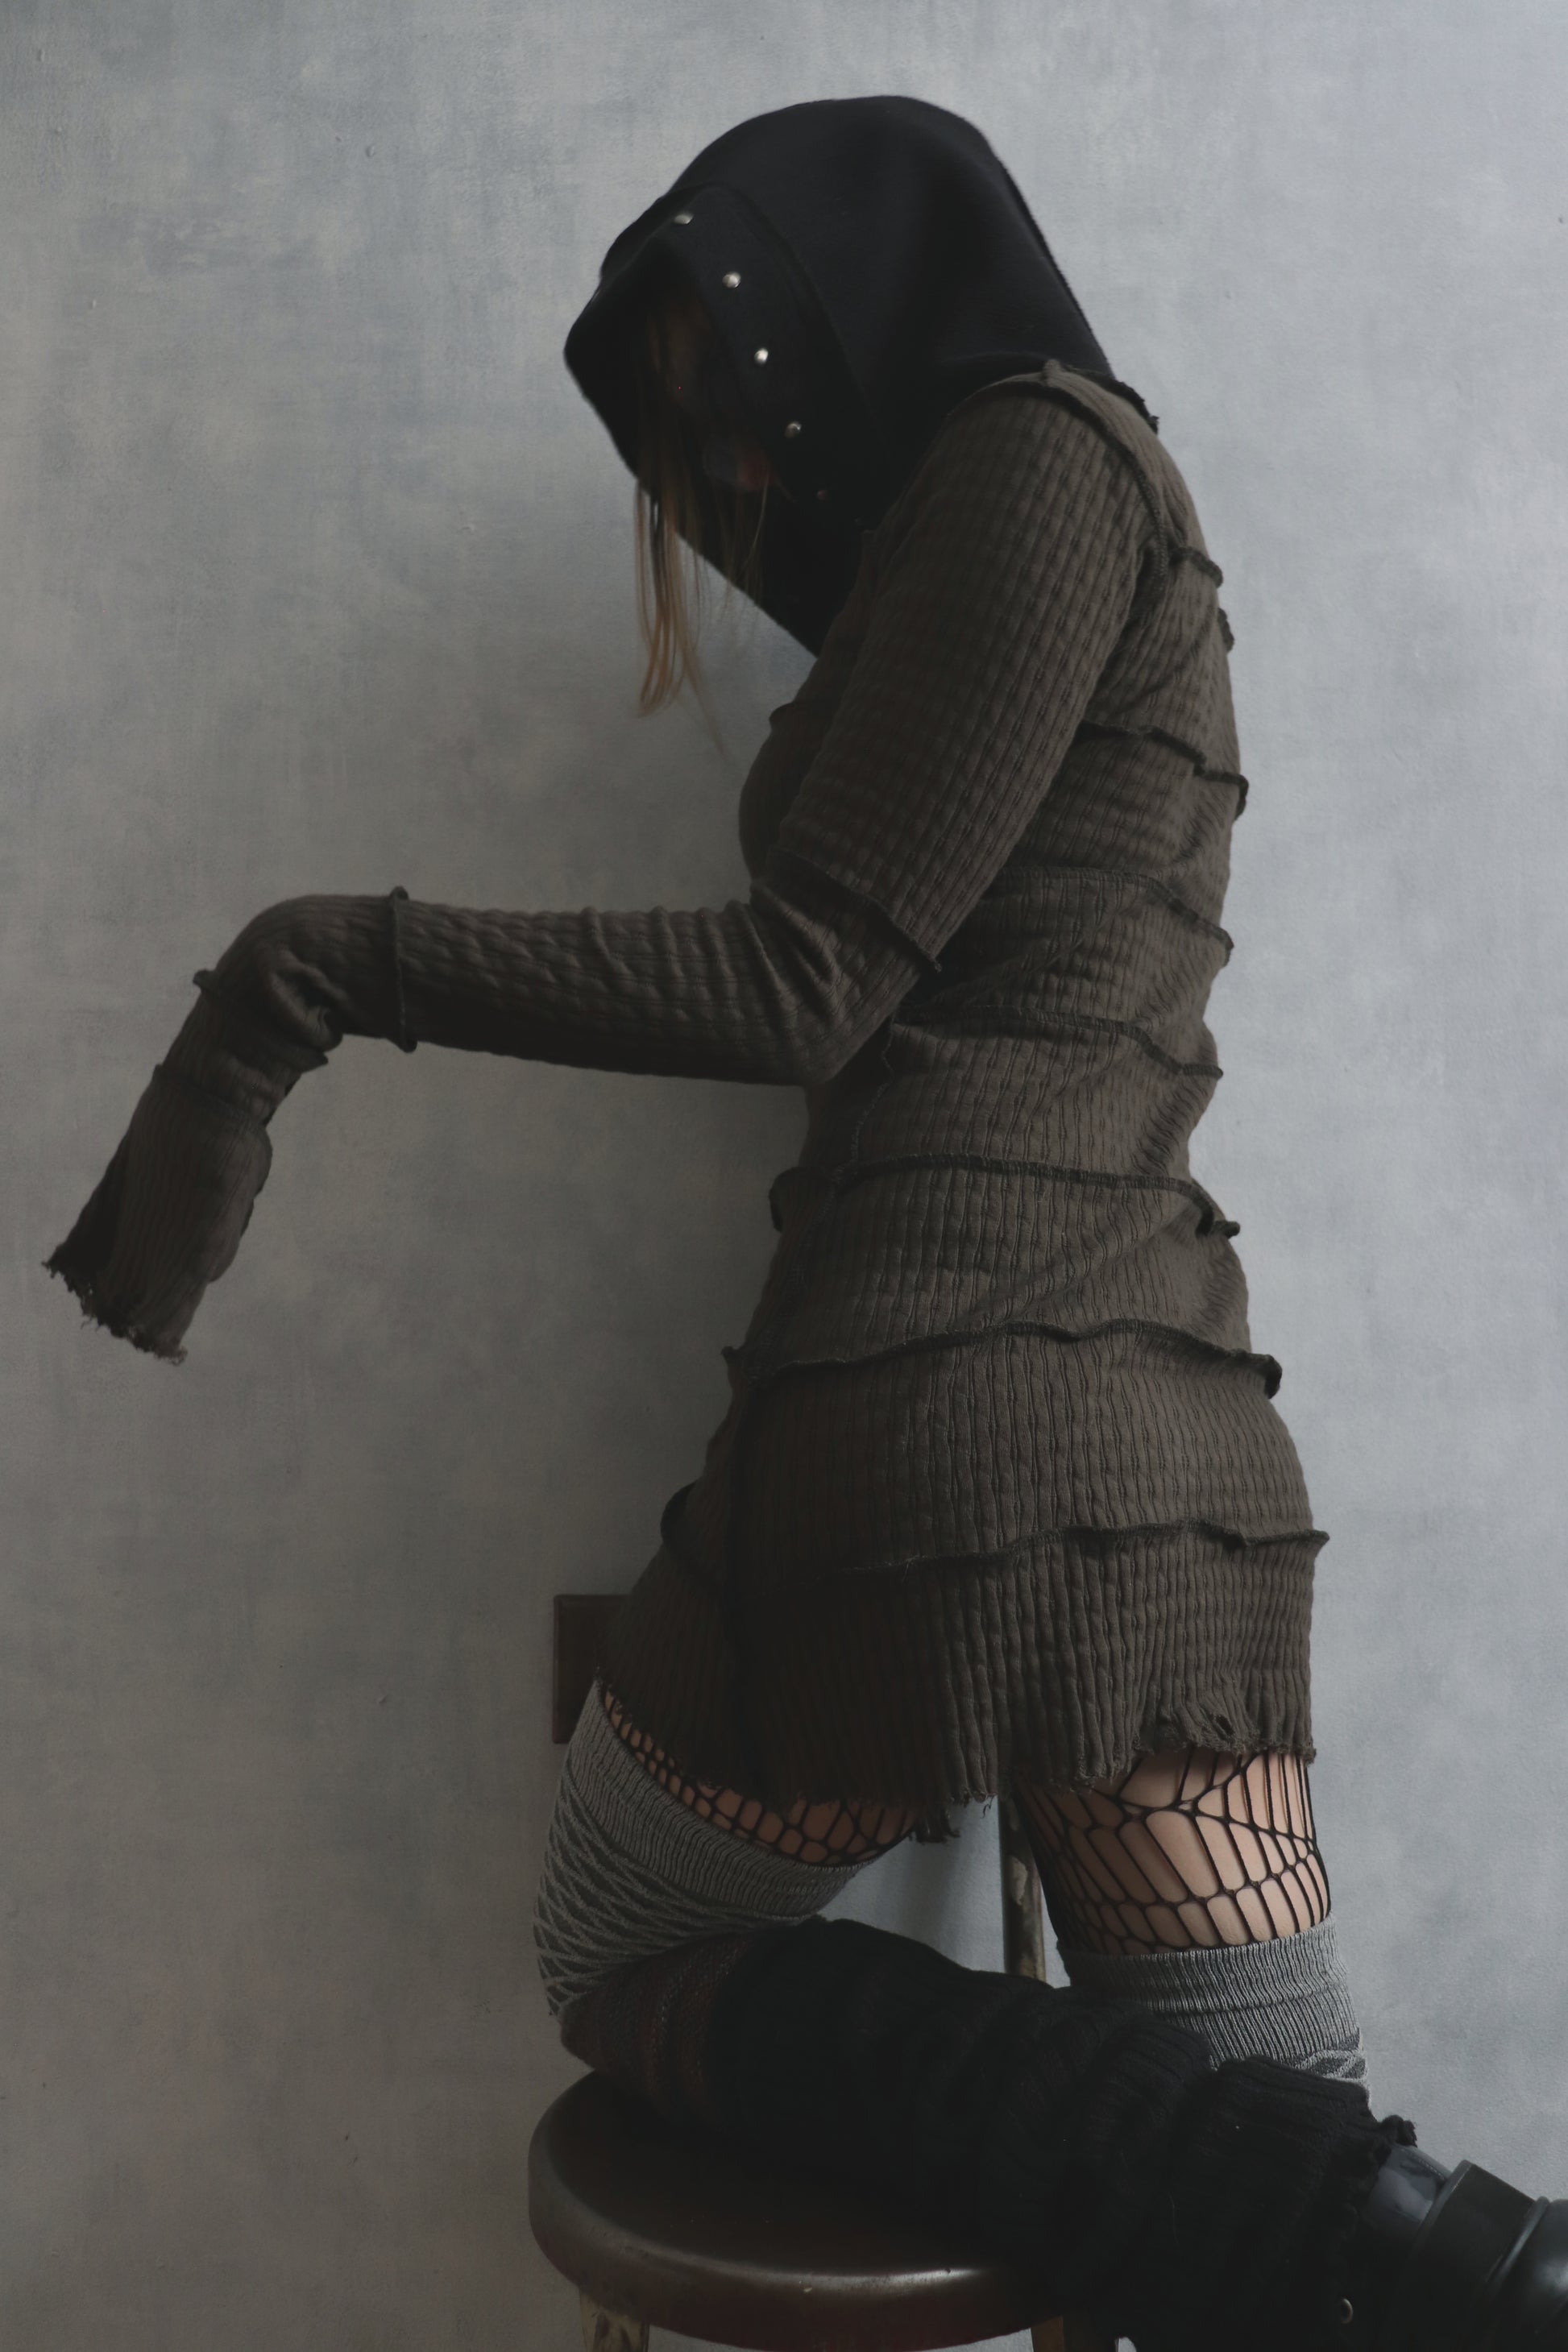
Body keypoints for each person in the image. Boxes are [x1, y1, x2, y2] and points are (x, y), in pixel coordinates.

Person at [44, 95, 1568, 2350]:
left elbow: (807, 976)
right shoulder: (1046, 505)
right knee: (1286, 2209)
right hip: (1137, 1440)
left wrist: (322, 965)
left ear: (837, 302)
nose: (740, 476)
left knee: (622, 1945)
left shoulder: (1034, 463)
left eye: (731, 398)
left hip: (934, 1417)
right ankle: (1436, 2241)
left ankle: (1395, 2230)